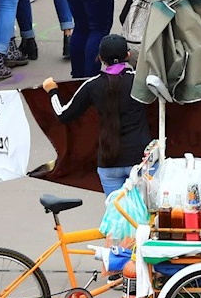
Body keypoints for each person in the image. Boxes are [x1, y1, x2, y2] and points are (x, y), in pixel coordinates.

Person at [42, 35, 146, 193]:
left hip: (109, 161)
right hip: (141, 161)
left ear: (101, 58)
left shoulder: (92, 86)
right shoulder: (140, 81)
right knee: (145, 214)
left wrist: (52, 91)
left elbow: (63, 114)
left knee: (115, 213)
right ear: (128, 55)